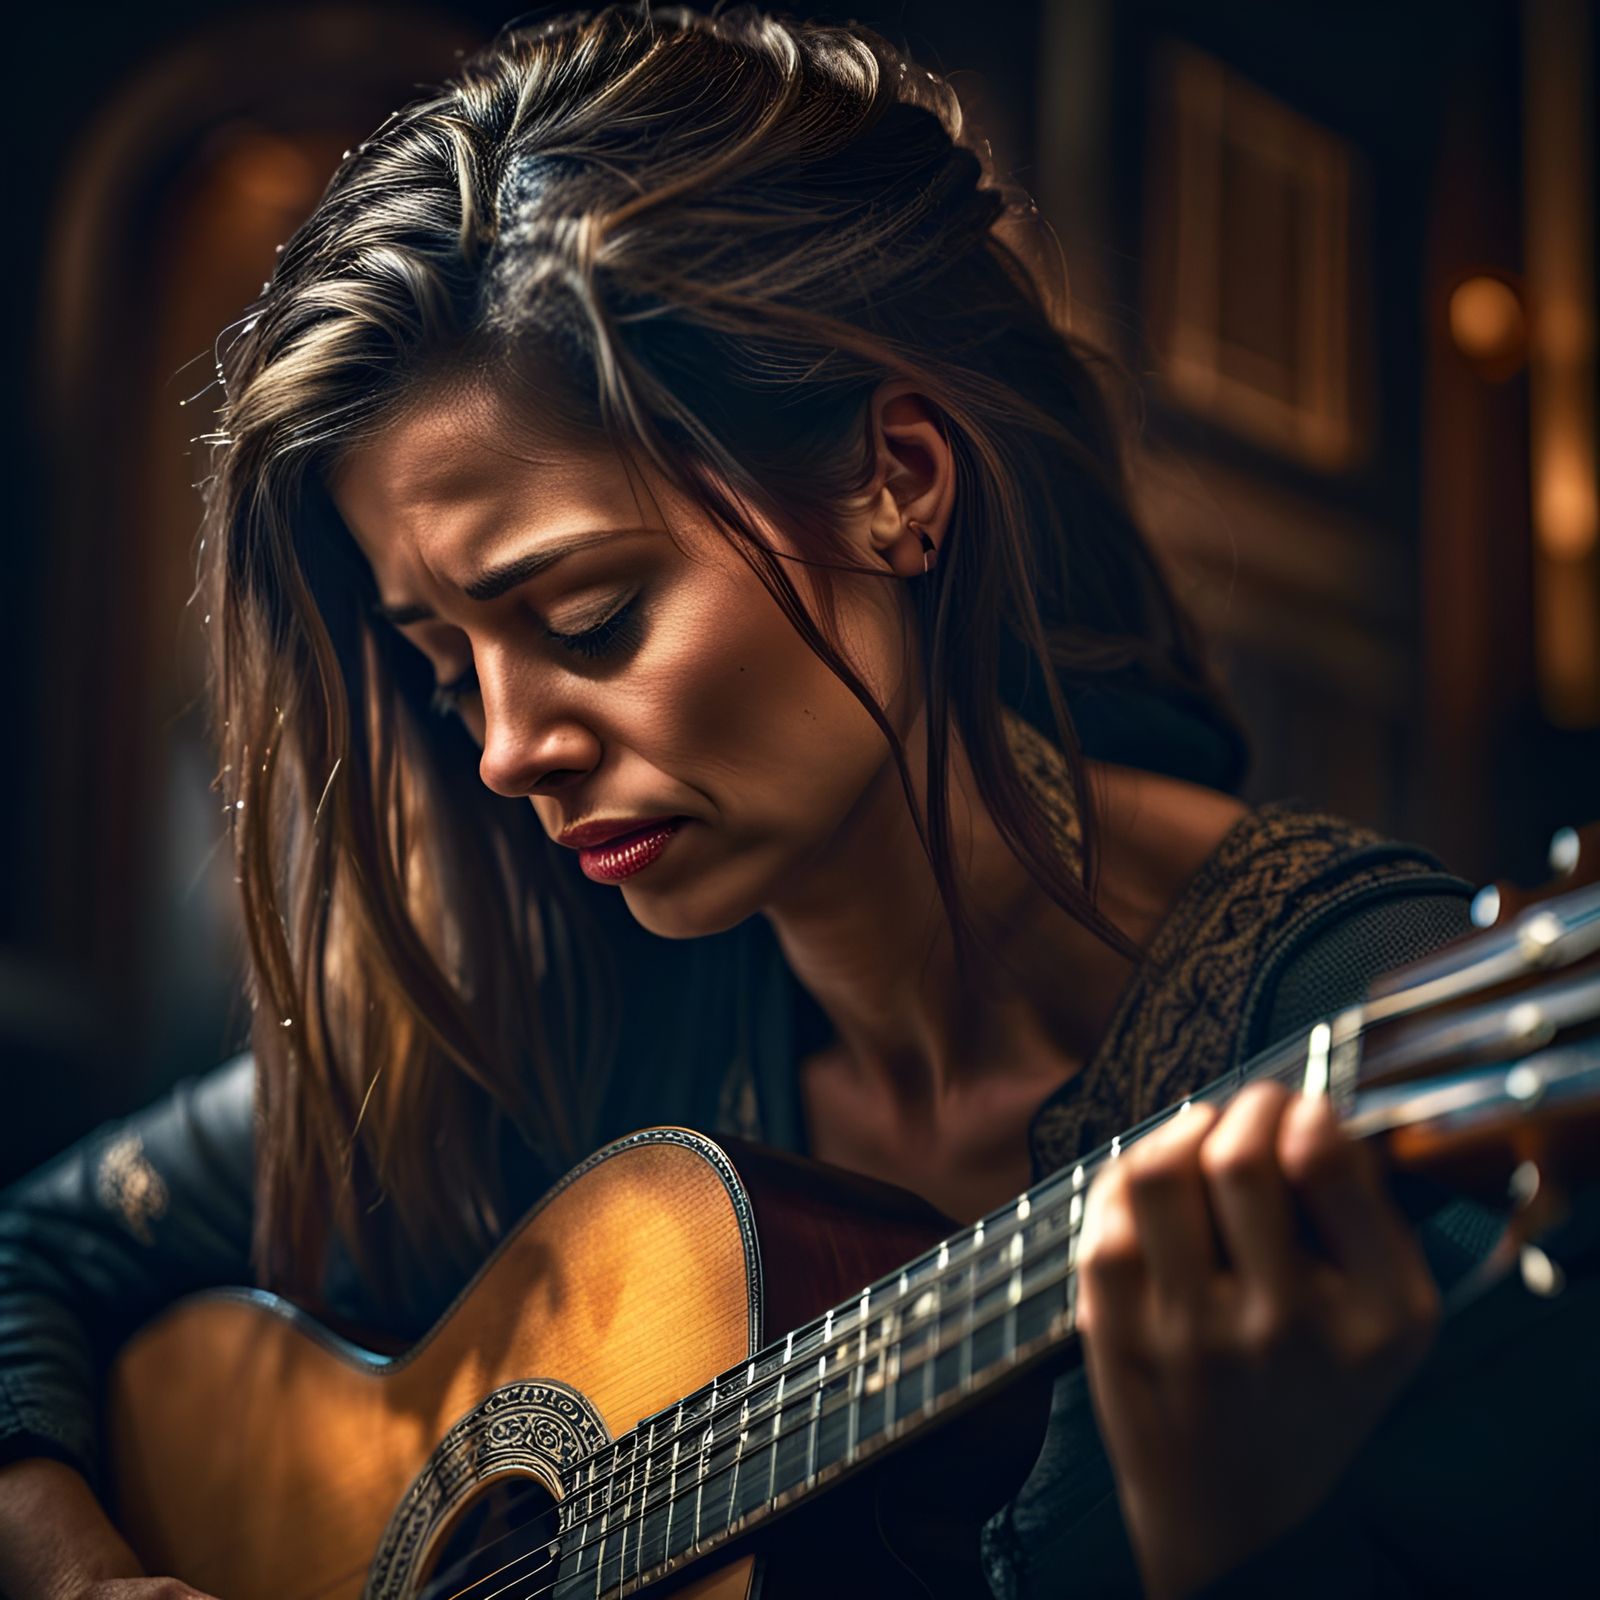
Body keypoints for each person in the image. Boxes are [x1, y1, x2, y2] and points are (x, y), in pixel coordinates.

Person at [1, 5, 1594, 1597]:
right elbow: (37, 1258)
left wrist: (1234, 1546)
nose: (503, 750)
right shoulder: (560, 991)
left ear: (896, 482)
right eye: (443, 667)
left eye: (586, 622)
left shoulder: (1352, 1015)